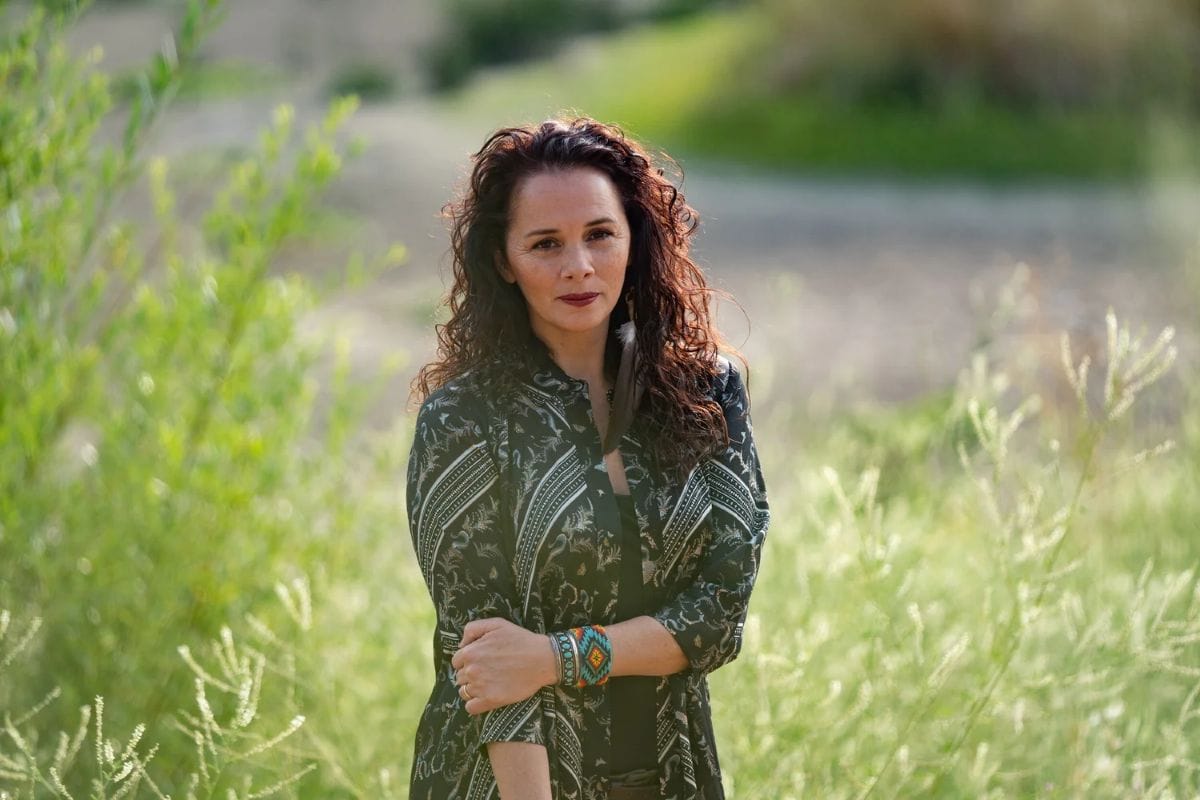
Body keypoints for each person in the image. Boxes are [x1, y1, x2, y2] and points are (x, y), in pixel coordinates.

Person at [406, 116, 770, 800]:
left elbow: (718, 619)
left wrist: (550, 657)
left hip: (676, 775)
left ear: (635, 236)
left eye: (599, 234)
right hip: (506, 784)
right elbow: (489, 666)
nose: (578, 265)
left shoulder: (709, 392)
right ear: (502, 262)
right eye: (546, 243)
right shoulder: (463, 420)